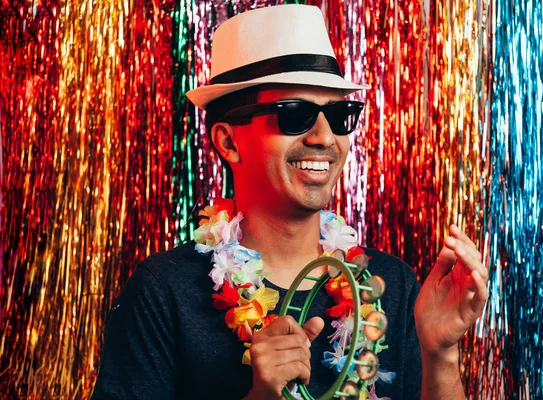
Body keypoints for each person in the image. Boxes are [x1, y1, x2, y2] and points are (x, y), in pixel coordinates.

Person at [92, 5, 488, 400]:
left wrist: (441, 354)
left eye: (339, 114)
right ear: (229, 142)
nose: (324, 136)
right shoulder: (164, 290)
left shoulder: (389, 284)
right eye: (294, 114)